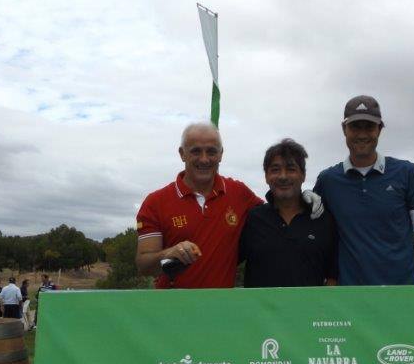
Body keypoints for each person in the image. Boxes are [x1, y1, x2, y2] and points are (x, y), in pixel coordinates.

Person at [135, 122, 323, 288]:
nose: (204, 159)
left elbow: (277, 212)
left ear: (221, 154)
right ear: (182, 154)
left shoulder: (239, 193)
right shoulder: (155, 202)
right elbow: (144, 265)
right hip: (171, 309)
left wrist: (304, 197)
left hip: (224, 310)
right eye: (195, 151)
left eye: (211, 151)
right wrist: (169, 253)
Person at [314, 95, 414, 286]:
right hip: (350, 297)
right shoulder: (328, 180)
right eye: (356, 126)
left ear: (380, 129)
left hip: (403, 293)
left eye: (369, 127)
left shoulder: (406, 172)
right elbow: (315, 231)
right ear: (344, 129)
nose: (362, 134)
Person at [239, 139, 338, 287]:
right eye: (275, 170)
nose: (283, 176)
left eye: (291, 169)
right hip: (259, 310)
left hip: (309, 309)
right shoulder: (252, 218)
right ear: (266, 176)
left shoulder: (323, 219)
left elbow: (332, 276)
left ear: (303, 175)